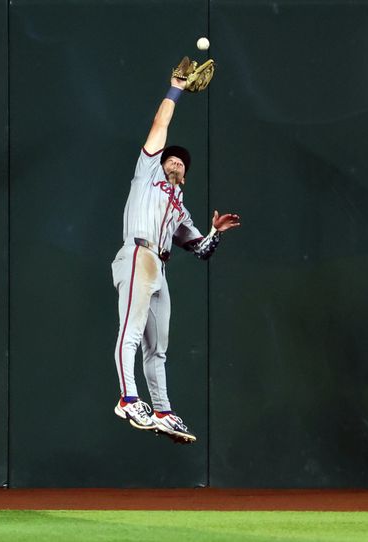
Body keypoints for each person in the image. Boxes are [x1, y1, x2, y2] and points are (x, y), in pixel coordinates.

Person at [111, 63, 240, 443]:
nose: (174, 162)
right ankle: (128, 398)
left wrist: (215, 233)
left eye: (180, 162)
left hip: (159, 268)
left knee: (158, 350)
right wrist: (175, 90)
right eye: (170, 158)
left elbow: (200, 250)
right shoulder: (147, 174)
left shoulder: (180, 209)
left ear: (185, 174)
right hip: (137, 254)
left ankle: (163, 411)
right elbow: (159, 128)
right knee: (131, 333)